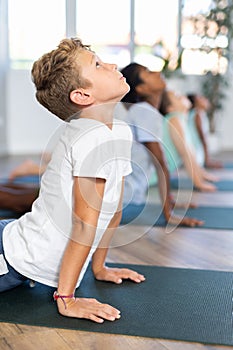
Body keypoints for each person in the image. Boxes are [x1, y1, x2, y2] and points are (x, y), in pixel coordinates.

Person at [0, 38, 145, 323]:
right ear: (82, 95)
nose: (113, 65)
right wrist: (66, 299)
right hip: (9, 254)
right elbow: (83, 222)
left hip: (16, 236)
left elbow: (113, 208)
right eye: (99, 65)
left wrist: (100, 267)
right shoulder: (91, 137)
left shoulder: (119, 131)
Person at [119, 63, 203, 227]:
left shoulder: (145, 111)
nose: (157, 72)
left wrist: (170, 202)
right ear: (141, 89)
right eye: (148, 72)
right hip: (124, 202)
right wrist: (168, 215)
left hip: (129, 196)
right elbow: (160, 164)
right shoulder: (144, 111)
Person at [159, 89, 218, 192]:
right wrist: (199, 184)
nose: (182, 96)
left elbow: (191, 152)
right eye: (177, 97)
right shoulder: (174, 119)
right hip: (155, 176)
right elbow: (185, 154)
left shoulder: (180, 118)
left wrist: (202, 175)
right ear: (170, 108)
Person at [187, 94, 223, 169]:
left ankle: (205, 160)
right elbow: (202, 138)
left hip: (197, 151)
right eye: (200, 98)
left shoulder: (200, 114)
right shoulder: (197, 115)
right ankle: (204, 161)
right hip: (195, 152)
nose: (205, 99)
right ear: (196, 103)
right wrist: (207, 160)